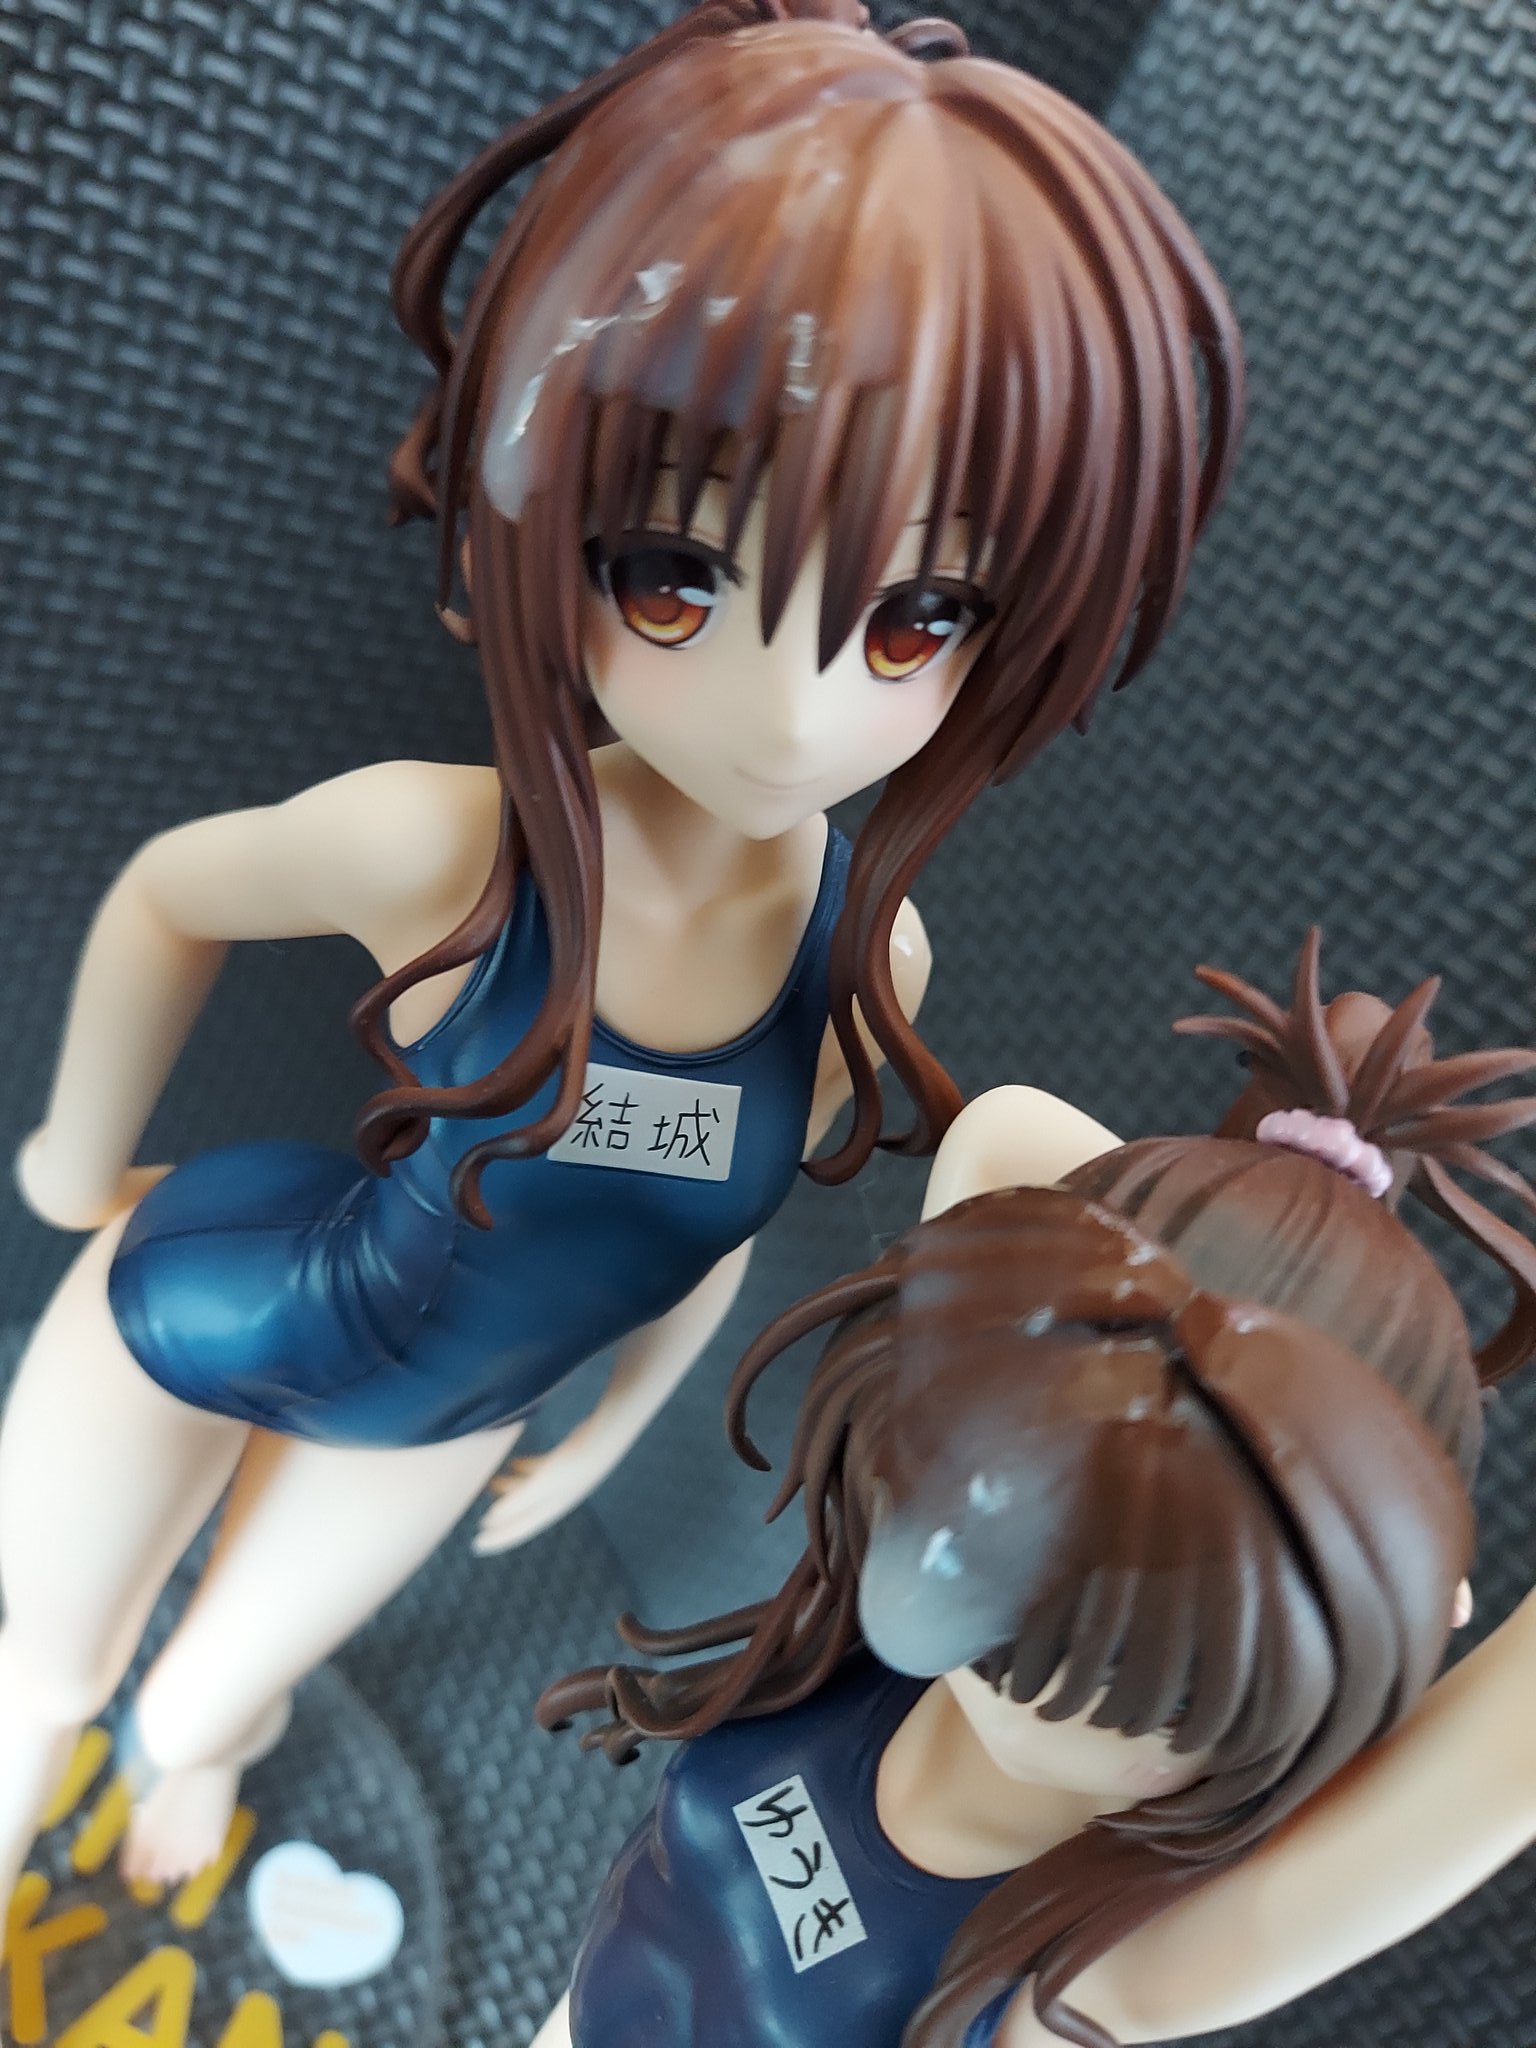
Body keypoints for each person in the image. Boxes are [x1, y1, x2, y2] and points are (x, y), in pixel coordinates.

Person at [0, 2, 1243, 1897]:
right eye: (678, 579)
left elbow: (696, 1220)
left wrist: (616, 1418)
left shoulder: (865, 958)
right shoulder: (448, 848)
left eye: (913, 619)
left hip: (449, 1416)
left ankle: (203, 1752)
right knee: (44, 1662)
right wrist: (73, 1152)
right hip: (210, 1299)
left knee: (208, 1700)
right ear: (559, 522)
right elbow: (174, 888)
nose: (790, 712)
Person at [535, 934, 1536, 2048]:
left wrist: (1364, 1532)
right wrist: (1175, 1289)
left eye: (1158, 1683)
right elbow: (1006, 1134)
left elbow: (1512, 1748)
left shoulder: (1106, 1965)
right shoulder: (882, 1640)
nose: (1028, 1697)